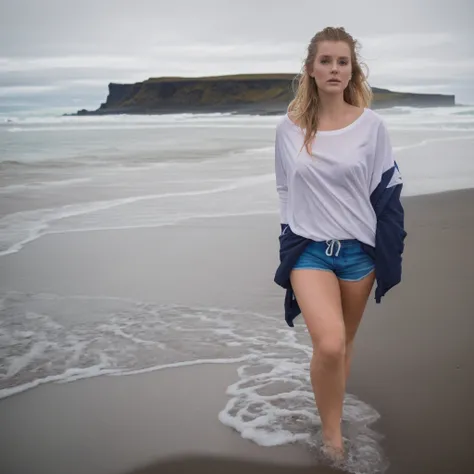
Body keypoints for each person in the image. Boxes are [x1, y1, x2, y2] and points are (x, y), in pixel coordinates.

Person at [273, 27, 406, 459]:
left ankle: (332, 412)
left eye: (342, 62)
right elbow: (284, 190)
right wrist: (287, 235)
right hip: (309, 250)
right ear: (310, 69)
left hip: (357, 253)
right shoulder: (288, 130)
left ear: (353, 71)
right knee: (328, 343)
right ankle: (333, 438)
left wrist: (388, 253)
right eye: (326, 61)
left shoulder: (372, 126)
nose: (334, 69)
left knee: (343, 345)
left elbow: (386, 192)